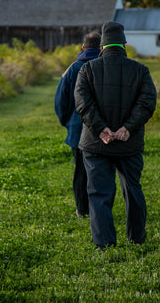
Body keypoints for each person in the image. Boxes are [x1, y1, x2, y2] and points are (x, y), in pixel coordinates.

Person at [74, 21, 157, 248]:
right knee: (133, 189)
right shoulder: (141, 70)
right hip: (128, 144)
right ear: (123, 44)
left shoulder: (87, 69)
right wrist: (127, 129)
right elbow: (148, 102)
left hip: (95, 144)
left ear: (101, 47)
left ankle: (105, 243)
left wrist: (101, 129)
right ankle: (136, 237)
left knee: (99, 193)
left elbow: (82, 103)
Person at [54, 32, 101, 218]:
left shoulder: (72, 69)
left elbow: (60, 101)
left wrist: (67, 122)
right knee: (100, 171)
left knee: (80, 171)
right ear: (100, 49)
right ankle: (98, 208)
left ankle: (82, 210)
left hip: (77, 130)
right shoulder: (103, 67)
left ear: (83, 48)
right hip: (101, 130)